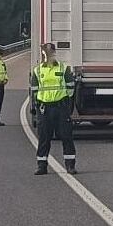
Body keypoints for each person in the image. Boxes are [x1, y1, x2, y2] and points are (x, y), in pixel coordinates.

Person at [30, 43, 77, 175]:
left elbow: (71, 87)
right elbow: (34, 89)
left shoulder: (63, 68)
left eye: (50, 53)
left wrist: (64, 100)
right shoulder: (38, 70)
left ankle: (70, 165)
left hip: (60, 107)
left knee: (66, 136)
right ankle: (41, 165)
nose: (48, 55)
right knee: (44, 137)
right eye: (46, 53)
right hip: (44, 108)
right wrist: (38, 104)